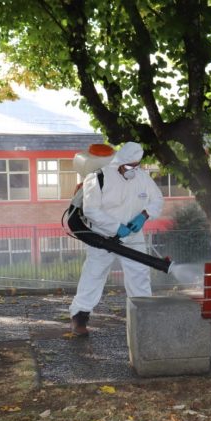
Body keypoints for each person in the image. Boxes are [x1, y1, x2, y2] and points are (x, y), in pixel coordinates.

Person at [69, 142, 164, 336]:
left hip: (133, 237)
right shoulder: (98, 177)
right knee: (94, 275)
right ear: (119, 162)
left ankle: (144, 317)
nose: (133, 170)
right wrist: (115, 227)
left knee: (139, 275)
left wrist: (144, 215)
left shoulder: (142, 178)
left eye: (136, 166)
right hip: (102, 237)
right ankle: (79, 317)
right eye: (129, 166)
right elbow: (91, 210)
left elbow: (157, 200)